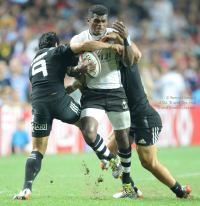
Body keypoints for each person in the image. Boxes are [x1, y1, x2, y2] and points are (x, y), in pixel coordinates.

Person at [13, 31, 124, 200]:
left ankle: (26, 189)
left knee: (37, 150)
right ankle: (110, 158)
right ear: (56, 44)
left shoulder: (34, 62)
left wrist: (77, 69)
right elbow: (83, 45)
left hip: (38, 105)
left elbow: (63, 73)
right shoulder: (57, 51)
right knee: (86, 127)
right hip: (59, 101)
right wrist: (110, 45)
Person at [98, 31, 192, 199]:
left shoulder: (128, 63)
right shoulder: (108, 72)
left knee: (148, 163)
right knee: (109, 152)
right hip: (127, 120)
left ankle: (180, 191)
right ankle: (130, 189)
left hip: (145, 119)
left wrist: (123, 39)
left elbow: (136, 53)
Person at [70, 5, 136, 198]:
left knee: (123, 140)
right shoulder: (79, 39)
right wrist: (78, 69)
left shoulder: (115, 35)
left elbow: (129, 62)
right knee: (89, 132)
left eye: (103, 21)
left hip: (116, 92)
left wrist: (126, 40)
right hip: (92, 94)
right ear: (88, 20)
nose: (100, 25)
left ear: (107, 21)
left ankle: (127, 183)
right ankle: (110, 158)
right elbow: (70, 68)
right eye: (96, 20)